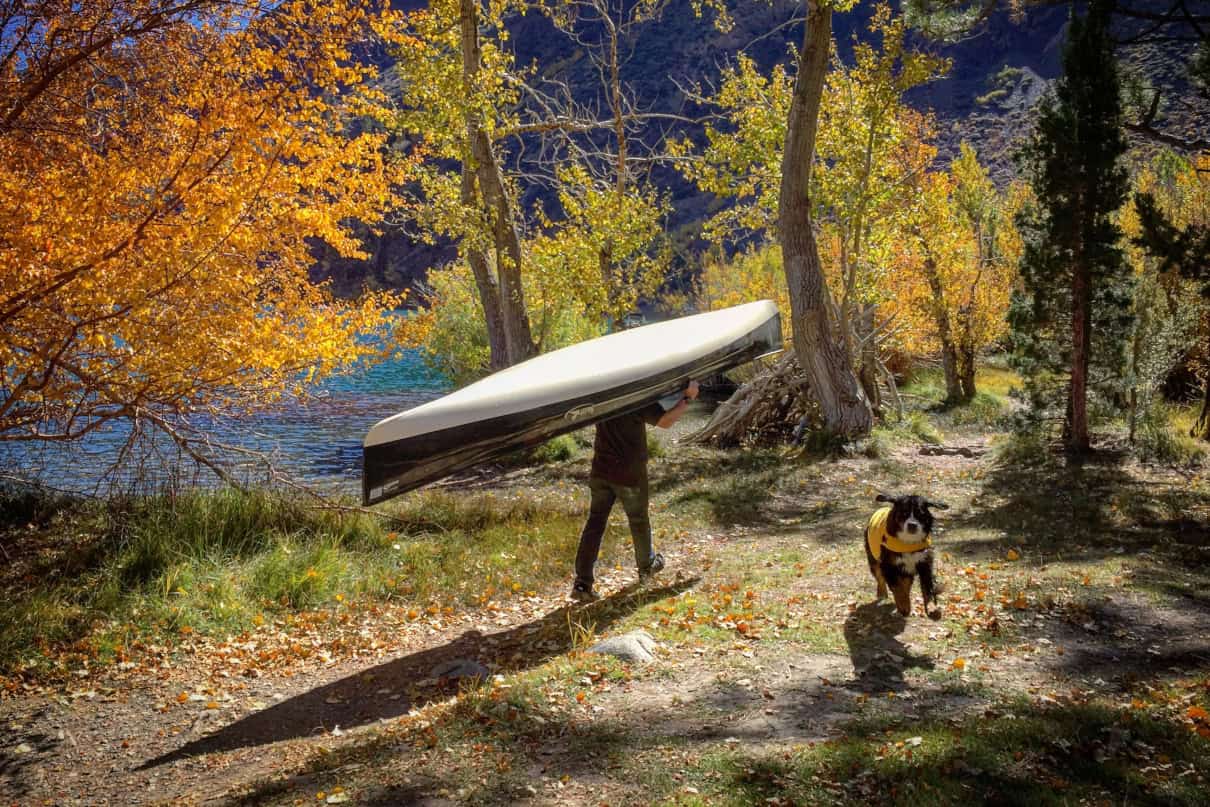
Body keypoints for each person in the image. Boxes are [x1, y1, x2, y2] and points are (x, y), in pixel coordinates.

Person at [571, 379, 700, 603]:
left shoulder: (602, 396)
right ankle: (647, 566)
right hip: (628, 475)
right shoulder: (635, 399)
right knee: (639, 520)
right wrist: (687, 398)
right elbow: (665, 421)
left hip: (601, 471)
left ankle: (582, 584)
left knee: (595, 523)